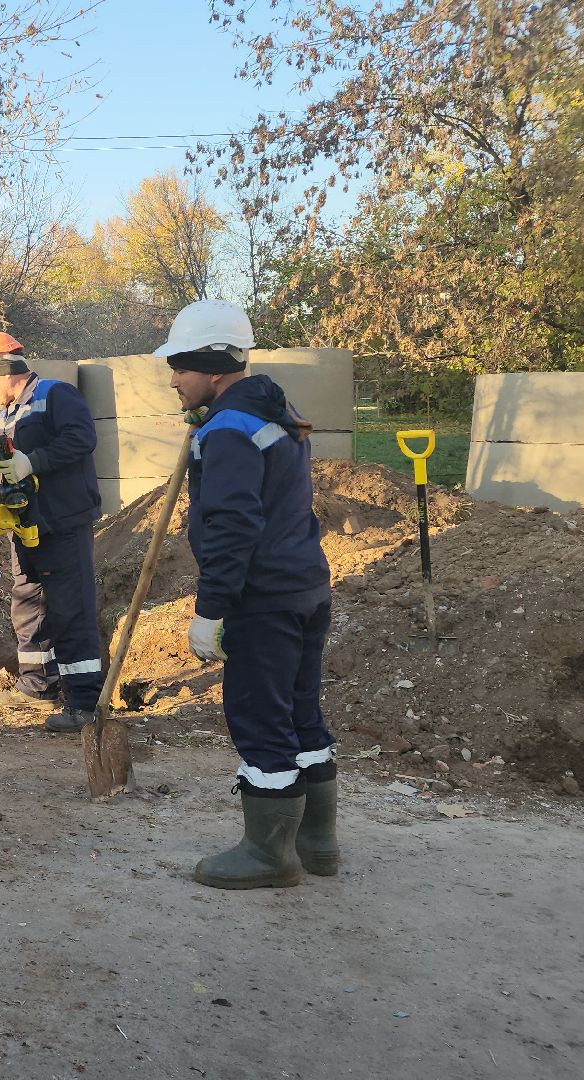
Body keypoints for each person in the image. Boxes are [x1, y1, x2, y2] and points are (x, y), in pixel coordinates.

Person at [155, 299, 336, 890]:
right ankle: (317, 844)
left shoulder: (229, 430)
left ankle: (269, 855)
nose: (173, 381)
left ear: (211, 369)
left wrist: (211, 609)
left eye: (180, 368)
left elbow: (232, 527)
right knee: (301, 713)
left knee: (260, 718)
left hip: (261, 599)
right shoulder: (273, 408)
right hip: (304, 585)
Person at [0, 331, 104, 734]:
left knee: (70, 610)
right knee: (27, 606)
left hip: (62, 524)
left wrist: (34, 461)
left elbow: (82, 439)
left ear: (3, 369)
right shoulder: (5, 416)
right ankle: (37, 686)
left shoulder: (56, 395)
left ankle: (84, 704)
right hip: (25, 529)